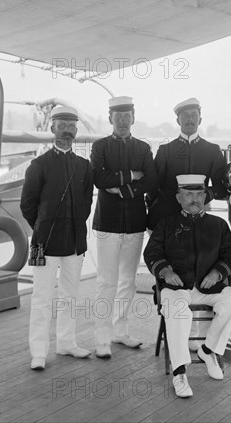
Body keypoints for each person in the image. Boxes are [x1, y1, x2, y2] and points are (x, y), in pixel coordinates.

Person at [144, 174, 231, 398]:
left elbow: (229, 255)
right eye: (189, 195)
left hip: (209, 288)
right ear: (179, 198)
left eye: (199, 195)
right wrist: (166, 271)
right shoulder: (166, 224)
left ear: (205, 198)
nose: (195, 199)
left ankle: (208, 351)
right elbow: (151, 253)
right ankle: (179, 372)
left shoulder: (218, 224)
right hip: (177, 289)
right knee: (179, 312)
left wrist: (217, 272)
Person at [146, 97, 229, 351]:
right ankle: (177, 334)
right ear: (178, 120)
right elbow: (154, 187)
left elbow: (222, 187)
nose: (190, 119)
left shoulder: (213, 151)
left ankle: (200, 336)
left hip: (202, 221)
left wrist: (203, 198)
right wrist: (156, 222)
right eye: (185, 115)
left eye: (194, 114)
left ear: (200, 119)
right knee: (176, 277)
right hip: (170, 224)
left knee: (203, 274)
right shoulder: (166, 151)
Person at [20, 105, 94, 370]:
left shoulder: (84, 167)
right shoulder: (38, 166)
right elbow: (27, 205)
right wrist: (41, 227)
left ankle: (66, 342)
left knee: (70, 296)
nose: (67, 130)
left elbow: (85, 203)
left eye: (72, 126)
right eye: (62, 125)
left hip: (75, 243)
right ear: (52, 129)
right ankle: (38, 353)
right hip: (43, 244)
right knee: (41, 299)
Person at [91, 96, 158, 359]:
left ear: (133, 117)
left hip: (134, 223)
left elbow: (151, 181)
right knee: (106, 282)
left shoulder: (143, 148)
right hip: (107, 223)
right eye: (117, 116)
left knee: (127, 282)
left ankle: (121, 331)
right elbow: (98, 178)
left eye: (126, 115)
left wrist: (123, 188)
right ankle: (102, 338)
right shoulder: (100, 146)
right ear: (110, 119)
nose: (122, 120)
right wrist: (132, 175)